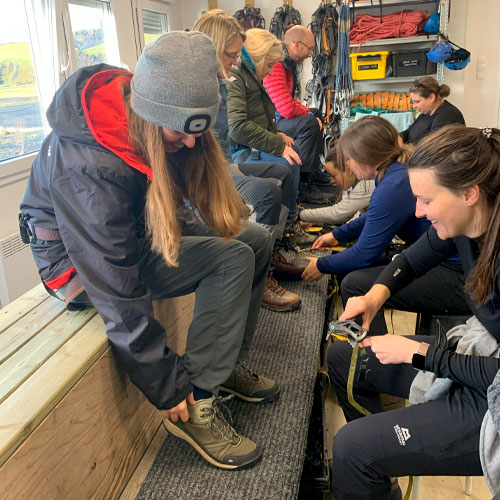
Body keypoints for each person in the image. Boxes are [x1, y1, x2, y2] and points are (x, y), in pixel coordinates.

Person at [19, 31, 280, 470]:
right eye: (182, 132)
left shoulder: (148, 112)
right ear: (153, 115)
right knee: (232, 259)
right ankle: (199, 402)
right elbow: (116, 288)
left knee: (249, 239)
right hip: (77, 268)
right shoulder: (89, 166)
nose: (192, 144)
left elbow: (166, 207)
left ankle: (223, 358)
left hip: (129, 236)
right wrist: (166, 385)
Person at [328, 125, 500, 499]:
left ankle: (373, 456)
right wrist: (374, 297)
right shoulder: (466, 222)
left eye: (426, 200)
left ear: (469, 194)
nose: (418, 210)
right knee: (343, 354)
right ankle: (381, 467)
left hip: (492, 396)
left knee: (352, 448)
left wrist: (422, 355)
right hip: (478, 359)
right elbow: (412, 259)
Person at [193, 9, 303, 313]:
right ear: (213, 49)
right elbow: (234, 130)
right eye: (230, 54)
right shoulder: (204, 87)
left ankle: (274, 249)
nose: (234, 60)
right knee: (267, 191)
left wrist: (277, 138)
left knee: (282, 173)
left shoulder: (221, 82)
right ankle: (262, 274)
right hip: (207, 174)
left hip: (222, 164)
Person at [301, 115, 429, 282]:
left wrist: (322, 265)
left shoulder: (393, 185)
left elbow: (364, 254)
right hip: (432, 250)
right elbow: (376, 215)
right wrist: (338, 235)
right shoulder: (395, 172)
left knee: (353, 283)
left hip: (449, 265)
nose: (348, 165)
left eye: (349, 159)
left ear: (366, 157)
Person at [226, 28, 315, 248]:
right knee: (287, 163)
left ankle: (283, 229)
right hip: (238, 151)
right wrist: (277, 145)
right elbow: (237, 127)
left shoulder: (250, 77)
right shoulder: (238, 78)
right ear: (258, 59)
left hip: (248, 144)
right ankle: (281, 234)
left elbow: (255, 117)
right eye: (268, 66)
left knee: (289, 164)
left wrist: (275, 133)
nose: (269, 72)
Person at [263, 25, 328, 205]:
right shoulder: (276, 65)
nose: (310, 55)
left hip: (278, 117)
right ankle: (304, 184)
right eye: (309, 49)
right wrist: (308, 115)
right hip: (272, 124)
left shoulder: (286, 65)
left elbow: (289, 101)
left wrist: (310, 112)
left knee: (315, 113)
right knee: (309, 122)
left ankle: (313, 171)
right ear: (296, 45)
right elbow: (286, 109)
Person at [299, 148, 375, 226]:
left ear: (348, 169)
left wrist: (300, 214)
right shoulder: (357, 180)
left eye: (333, 176)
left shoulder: (367, 183)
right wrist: (316, 221)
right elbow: (346, 215)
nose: (331, 181)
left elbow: (337, 213)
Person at [401, 76, 465, 145]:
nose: (414, 106)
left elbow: (433, 148)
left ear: (431, 97)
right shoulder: (426, 113)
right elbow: (407, 133)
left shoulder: (447, 115)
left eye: (417, 102)